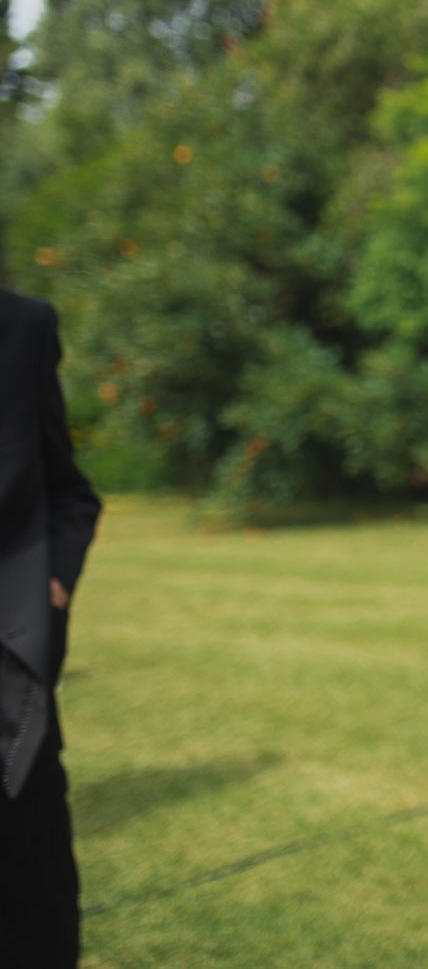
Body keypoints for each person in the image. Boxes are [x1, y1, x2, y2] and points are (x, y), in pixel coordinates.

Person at [0, 289, 102, 967]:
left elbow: (68, 489)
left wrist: (51, 584)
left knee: (37, 925)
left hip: (9, 684)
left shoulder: (21, 326)